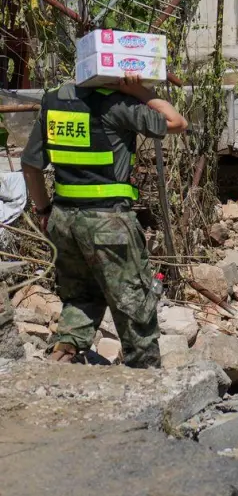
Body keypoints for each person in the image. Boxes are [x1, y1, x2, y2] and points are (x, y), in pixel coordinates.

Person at [19, 73, 187, 369]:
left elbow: (31, 165)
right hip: (108, 223)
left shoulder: (54, 99)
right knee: (134, 305)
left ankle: (62, 359)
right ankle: (146, 379)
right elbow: (176, 122)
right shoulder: (116, 104)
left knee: (80, 294)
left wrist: (44, 211)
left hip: (63, 220)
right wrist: (138, 90)